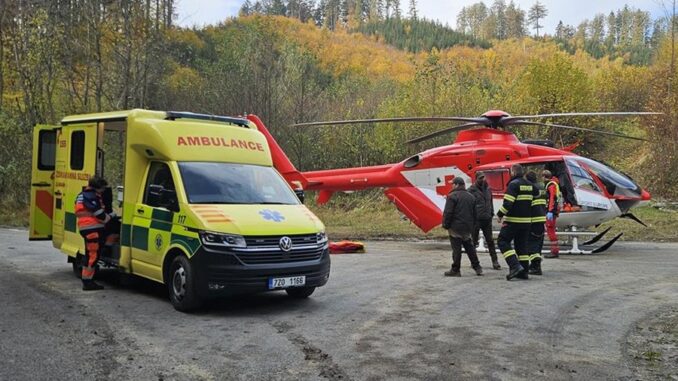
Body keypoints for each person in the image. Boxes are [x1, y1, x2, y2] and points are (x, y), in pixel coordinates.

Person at [496, 164, 538, 280]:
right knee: (522, 247)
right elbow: (537, 194)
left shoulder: (513, 185)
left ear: (513, 173)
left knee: (502, 241)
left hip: (513, 221)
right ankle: (524, 272)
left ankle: (514, 266)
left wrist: (500, 214)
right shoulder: (530, 185)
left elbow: (508, 203)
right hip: (526, 222)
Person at [74, 176, 115, 291]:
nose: (103, 191)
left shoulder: (82, 195)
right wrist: (111, 216)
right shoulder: (91, 197)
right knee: (93, 255)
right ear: (97, 187)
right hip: (92, 229)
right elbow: (101, 216)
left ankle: (87, 280)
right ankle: (87, 282)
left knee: (90, 254)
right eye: (102, 188)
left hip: (86, 228)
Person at [441, 177, 483, 277]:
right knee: (469, 247)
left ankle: (455, 269)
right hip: (467, 227)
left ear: (456, 185)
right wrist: (472, 226)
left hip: (455, 227)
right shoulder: (471, 197)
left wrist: (445, 224)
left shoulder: (452, 196)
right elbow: (475, 214)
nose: (452, 186)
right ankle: (477, 267)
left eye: (453, 184)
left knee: (456, 249)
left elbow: (448, 212)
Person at [468, 173, 501, 270]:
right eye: (480, 178)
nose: (483, 179)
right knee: (473, 241)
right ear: (476, 179)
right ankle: (474, 262)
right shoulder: (471, 190)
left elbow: (490, 202)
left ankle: (495, 262)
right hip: (476, 219)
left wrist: (491, 213)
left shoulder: (488, 189)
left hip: (487, 219)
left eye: (483, 177)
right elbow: (469, 204)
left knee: (490, 241)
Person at [525, 171, 546, 275]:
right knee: (538, 244)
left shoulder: (530, 189)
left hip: (533, 219)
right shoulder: (542, 188)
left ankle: (535, 266)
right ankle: (535, 265)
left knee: (531, 244)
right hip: (542, 219)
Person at [542, 170, 561, 258]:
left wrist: (550, 210)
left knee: (551, 230)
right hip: (553, 210)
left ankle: (554, 251)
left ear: (544, 177)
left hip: (551, 211)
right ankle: (554, 251)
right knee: (551, 230)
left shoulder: (551, 185)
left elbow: (552, 198)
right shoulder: (553, 184)